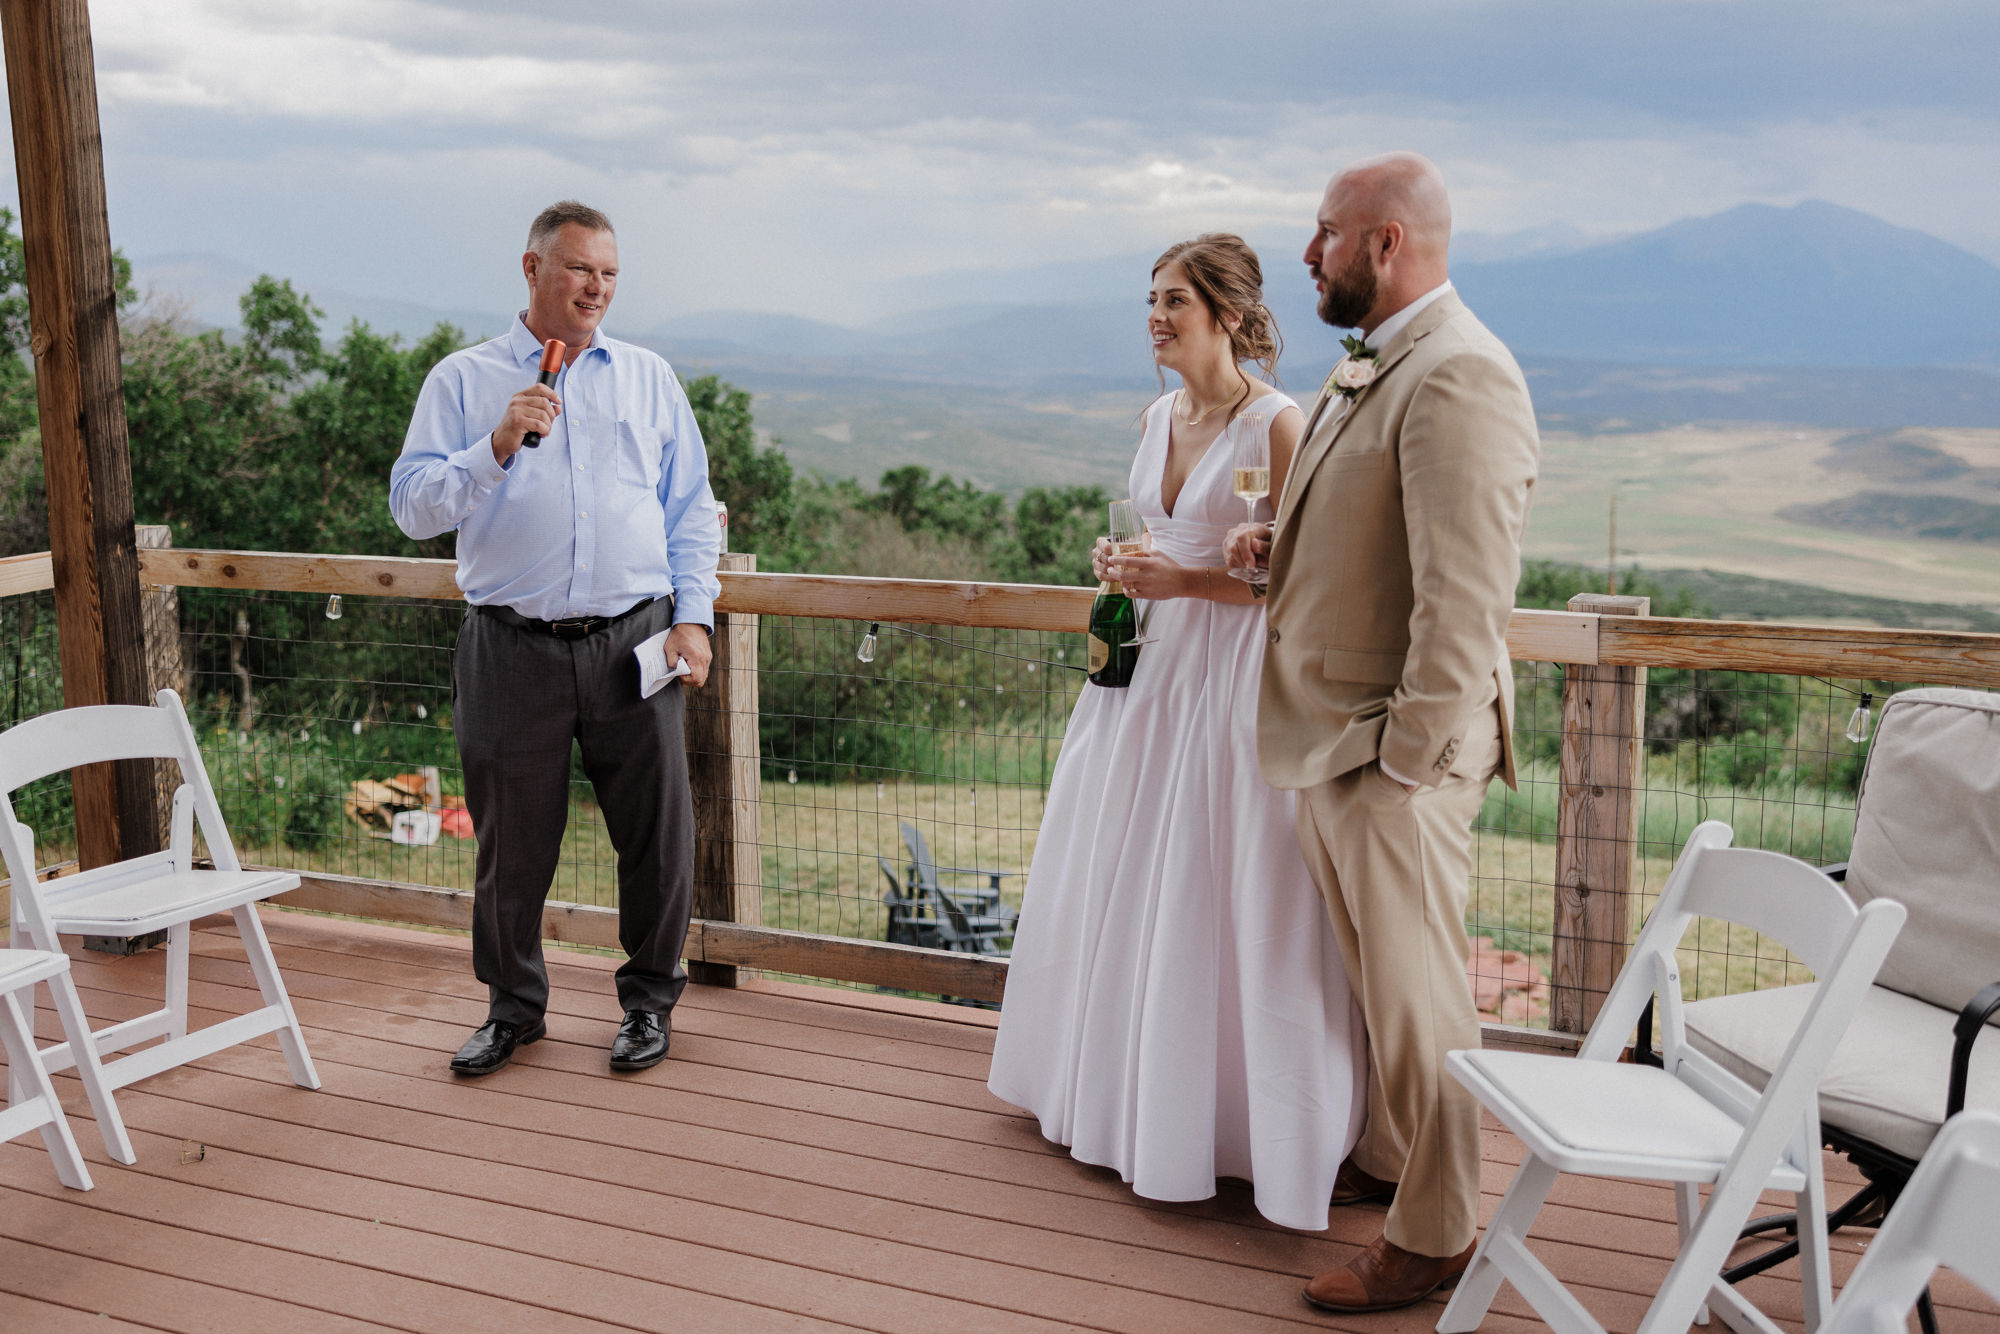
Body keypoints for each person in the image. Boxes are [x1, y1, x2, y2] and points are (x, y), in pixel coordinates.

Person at [988, 234, 1366, 1232]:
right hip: (1147, 671)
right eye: (1150, 300)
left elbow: (1290, 578)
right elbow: (1161, 539)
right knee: (1123, 869)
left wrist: (1186, 579)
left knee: (1220, 881)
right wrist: (1129, 562)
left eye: (1176, 303)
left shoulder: (1276, 423)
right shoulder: (1156, 414)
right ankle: (1120, 1097)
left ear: (1231, 316)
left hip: (1232, 681)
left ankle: (1234, 1127)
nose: (1155, 318)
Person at [1228, 153, 1540, 1313]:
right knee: (1377, 981)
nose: (1306, 255)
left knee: (1420, 999)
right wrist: (1278, 551)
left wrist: (1404, 759)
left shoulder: (1459, 374)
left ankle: (1438, 1229)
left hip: (1389, 751)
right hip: (1333, 734)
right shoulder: (1379, 363)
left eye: (1323, 235)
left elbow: (1465, 603)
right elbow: (1373, 540)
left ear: (1386, 242)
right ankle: (1398, 1158)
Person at [390, 200, 722, 1078]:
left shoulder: (647, 378)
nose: (597, 288)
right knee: (511, 848)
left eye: (609, 273)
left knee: (657, 839)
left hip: (635, 642)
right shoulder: (462, 381)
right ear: (532, 269)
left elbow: (691, 509)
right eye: (581, 269)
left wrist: (694, 617)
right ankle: (513, 1011)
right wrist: (495, 444)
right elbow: (412, 505)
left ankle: (650, 1002)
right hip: (509, 647)